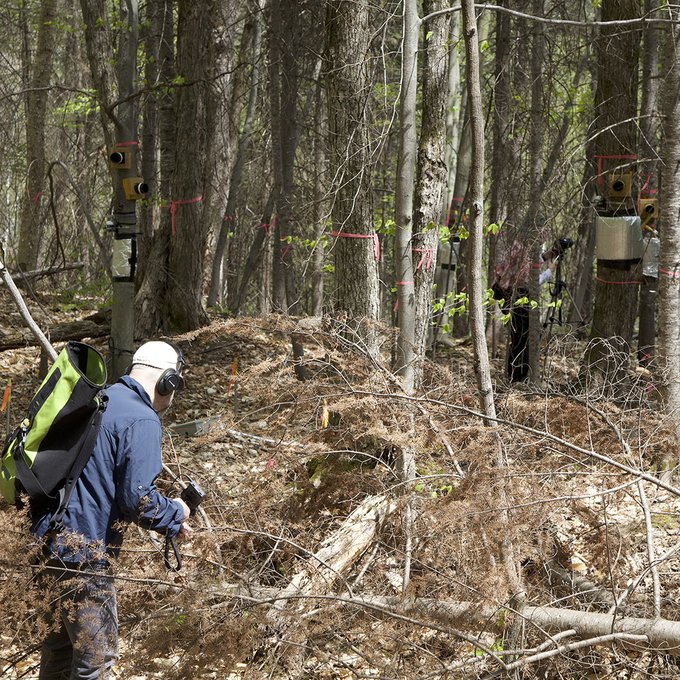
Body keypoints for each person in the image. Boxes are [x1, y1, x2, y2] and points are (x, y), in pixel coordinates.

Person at [30, 340, 192, 680]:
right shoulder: (142, 418)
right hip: (85, 559)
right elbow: (140, 501)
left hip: (47, 546)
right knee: (95, 661)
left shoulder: (99, 399)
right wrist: (176, 512)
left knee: (58, 652)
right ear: (169, 381)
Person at [492, 240, 555, 382]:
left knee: (517, 338)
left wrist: (546, 255)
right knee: (523, 338)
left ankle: (514, 374)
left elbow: (526, 265)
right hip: (520, 300)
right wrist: (550, 271)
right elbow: (531, 280)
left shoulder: (516, 249)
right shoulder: (522, 253)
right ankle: (518, 376)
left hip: (513, 298)